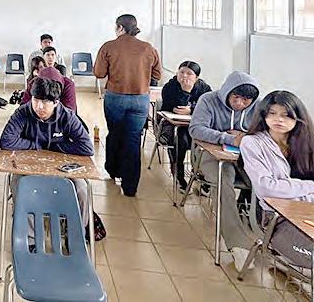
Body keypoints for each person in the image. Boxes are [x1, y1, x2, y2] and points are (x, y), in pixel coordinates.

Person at [241, 90, 314, 275]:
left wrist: (301, 202)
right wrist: (312, 186)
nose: (278, 119)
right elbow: (267, 188)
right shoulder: (253, 143)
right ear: (264, 115)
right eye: (272, 113)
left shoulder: (312, 147)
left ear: (298, 117)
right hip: (277, 221)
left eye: (286, 115)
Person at [0, 78, 97, 238]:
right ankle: (30, 237)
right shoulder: (23, 112)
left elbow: (87, 147)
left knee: (81, 189)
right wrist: (37, 145)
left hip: (60, 167)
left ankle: (75, 235)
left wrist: (54, 147)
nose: (39, 106)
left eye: (45, 102)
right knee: (18, 184)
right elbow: (6, 141)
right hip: (28, 166)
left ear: (56, 102)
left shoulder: (67, 116)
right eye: (35, 100)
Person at [189, 70, 261, 268]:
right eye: (236, 98)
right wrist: (228, 138)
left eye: (246, 100)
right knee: (224, 182)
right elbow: (196, 129)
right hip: (210, 155)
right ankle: (238, 245)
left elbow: (264, 134)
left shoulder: (258, 107)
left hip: (244, 158)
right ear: (227, 91)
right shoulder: (208, 100)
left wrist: (245, 136)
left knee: (266, 183)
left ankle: (274, 243)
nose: (240, 104)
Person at [93, 14, 161, 197]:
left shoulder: (109, 46)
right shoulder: (148, 48)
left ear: (120, 28)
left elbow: (99, 73)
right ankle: (130, 186)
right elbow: (157, 74)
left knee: (115, 133)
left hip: (116, 97)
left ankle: (113, 170)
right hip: (140, 99)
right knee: (133, 139)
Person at [159, 61, 212, 192]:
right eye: (181, 72)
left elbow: (208, 107)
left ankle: (201, 176)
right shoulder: (170, 86)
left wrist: (192, 110)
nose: (184, 76)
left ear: (196, 77)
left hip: (194, 125)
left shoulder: (204, 89)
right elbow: (173, 107)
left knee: (202, 143)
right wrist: (185, 92)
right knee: (180, 140)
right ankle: (179, 175)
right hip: (172, 125)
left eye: (189, 74)